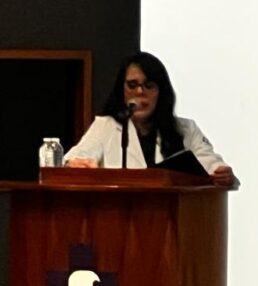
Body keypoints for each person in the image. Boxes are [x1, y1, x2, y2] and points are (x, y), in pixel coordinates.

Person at [63, 52, 237, 186]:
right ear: (121, 90)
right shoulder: (105, 126)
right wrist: (77, 164)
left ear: (161, 92)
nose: (140, 92)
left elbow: (210, 163)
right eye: (132, 85)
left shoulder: (185, 129)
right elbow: (75, 159)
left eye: (149, 85)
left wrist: (221, 173)